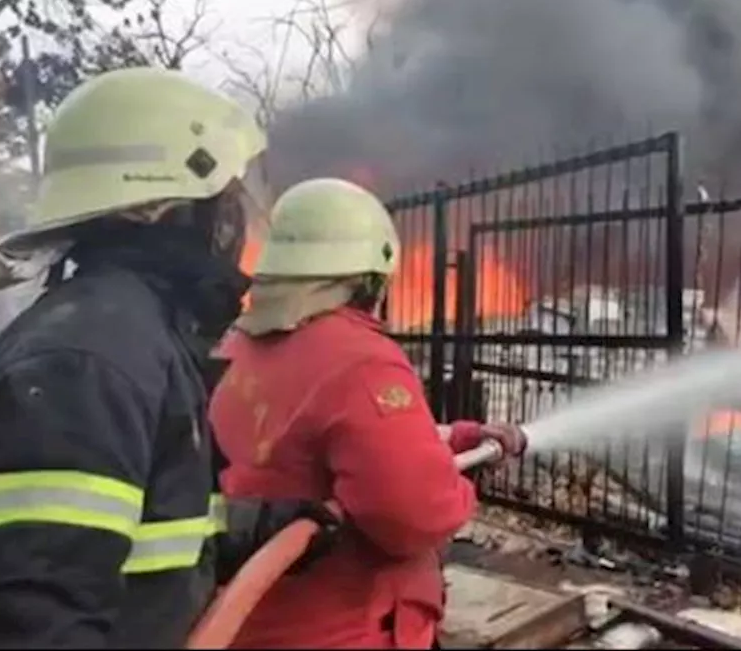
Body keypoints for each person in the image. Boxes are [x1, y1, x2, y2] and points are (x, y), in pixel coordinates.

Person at [0, 67, 292, 648]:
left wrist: (278, 521)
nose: (236, 221)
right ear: (163, 206)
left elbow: (151, 528)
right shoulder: (89, 362)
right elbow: (35, 626)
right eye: (225, 199)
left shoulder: (124, 336)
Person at [209, 177, 528, 649]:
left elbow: (323, 441)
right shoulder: (358, 357)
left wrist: (462, 435)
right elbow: (412, 516)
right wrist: (455, 489)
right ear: (371, 278)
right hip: (344, 628)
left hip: (249, 621)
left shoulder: (234, 347)